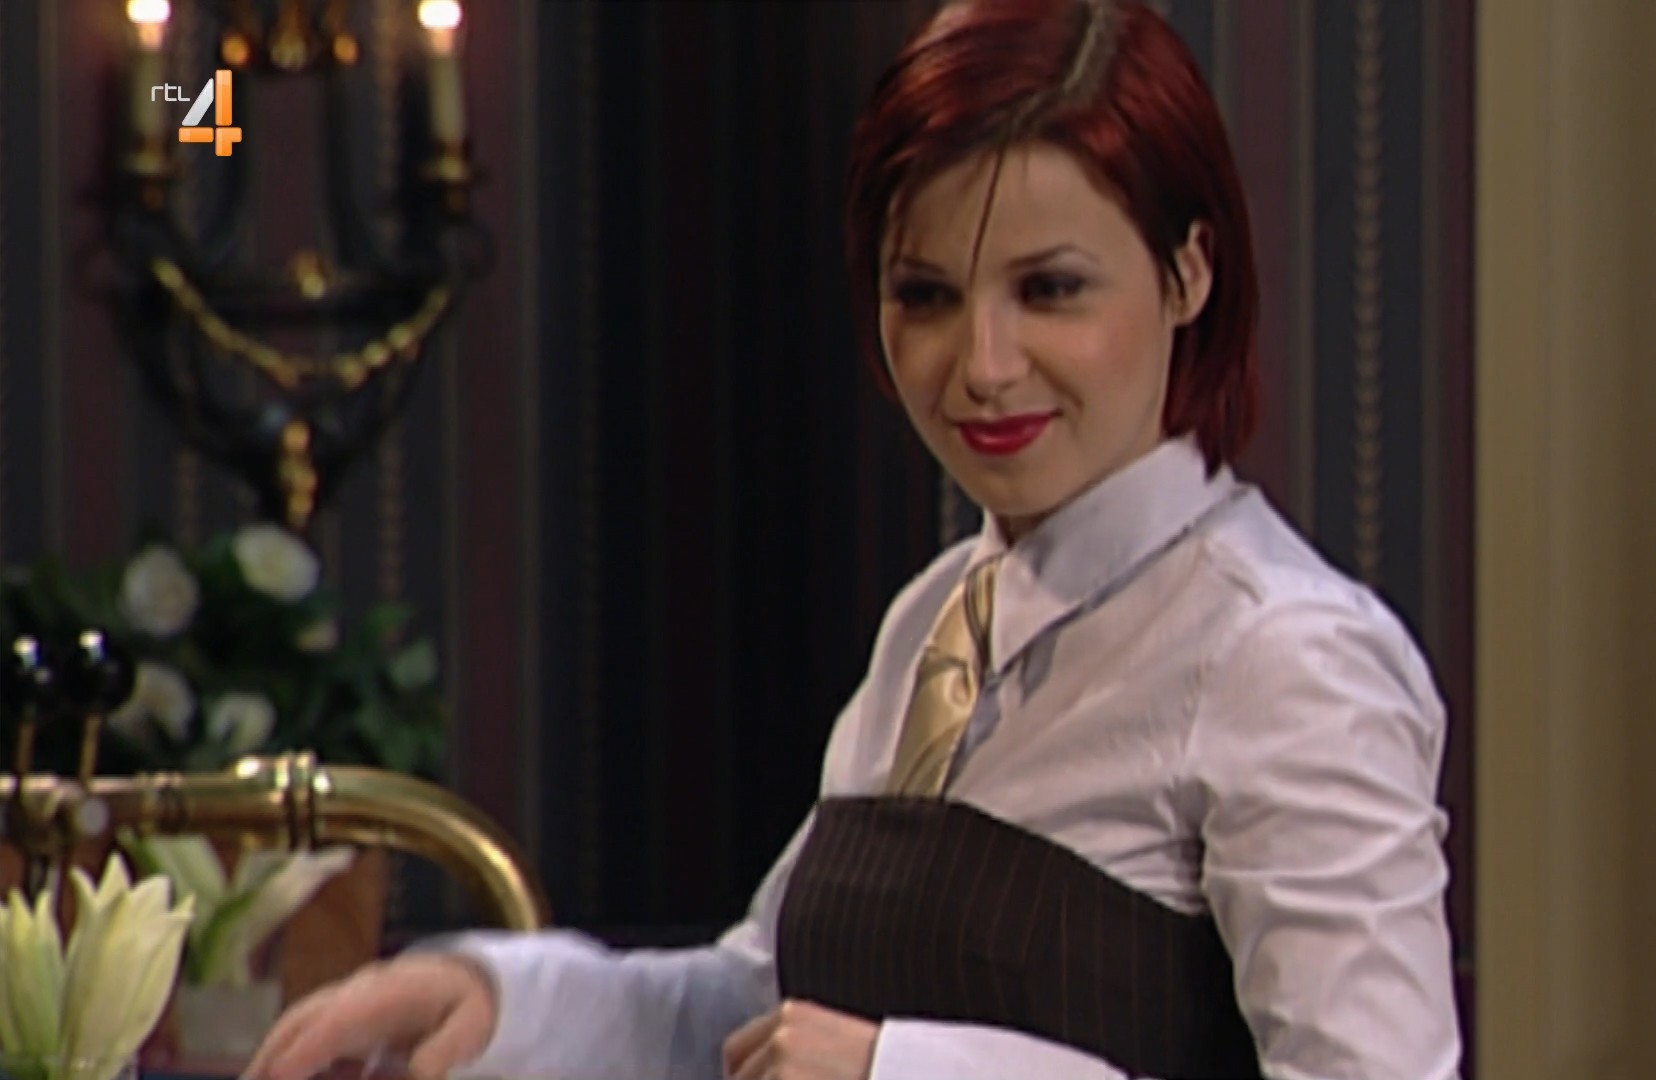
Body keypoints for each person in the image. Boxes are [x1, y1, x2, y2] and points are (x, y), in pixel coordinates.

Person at [244, 0, 1461, 1077]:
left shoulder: (1287, 658)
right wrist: (500, 1004)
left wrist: (909, 1070)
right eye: (926, 295)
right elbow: (761, 1009)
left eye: (1050, 289)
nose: (982, 366)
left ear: (1189, 275)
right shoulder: (937, 617)